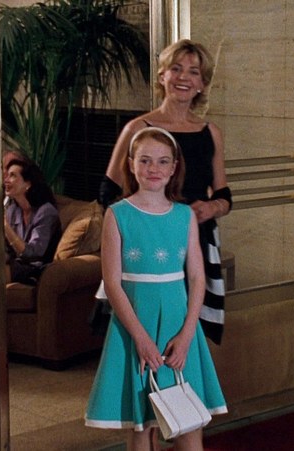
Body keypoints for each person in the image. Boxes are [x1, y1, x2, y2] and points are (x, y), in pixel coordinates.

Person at [85, 127, 227, 451]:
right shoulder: (117, 214)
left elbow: (197, 278)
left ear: (174, 167)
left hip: (179, 328)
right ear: (131, 163)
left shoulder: (184, 215)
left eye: (163, 161)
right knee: (141, 425)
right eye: (145, 160)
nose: (154, 168)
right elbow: (112, 283)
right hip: (134, 329)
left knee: (188, 421)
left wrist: (187, 334)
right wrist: (141, 339)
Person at [98, 39, 232, 344]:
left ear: (202, 83)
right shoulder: (137, 128)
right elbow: (108, 192)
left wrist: (211, 208)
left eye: (194, 72)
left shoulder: (211, 132)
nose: (184, 77)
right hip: (145, 245)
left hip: (197, 240)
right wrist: (147, 220)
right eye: (176, 69)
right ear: (162, 76)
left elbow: (224, 195)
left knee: (192, 334)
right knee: (144, 333)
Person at [3, 159, 61, 285]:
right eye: (7, 176)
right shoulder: (12, 210)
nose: (6, 180)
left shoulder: (46, 212)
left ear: (28, 184)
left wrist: (6, 227)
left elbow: (33, 253)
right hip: (17, 263)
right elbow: (7, 249)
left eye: (12, 175)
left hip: (36, 268)